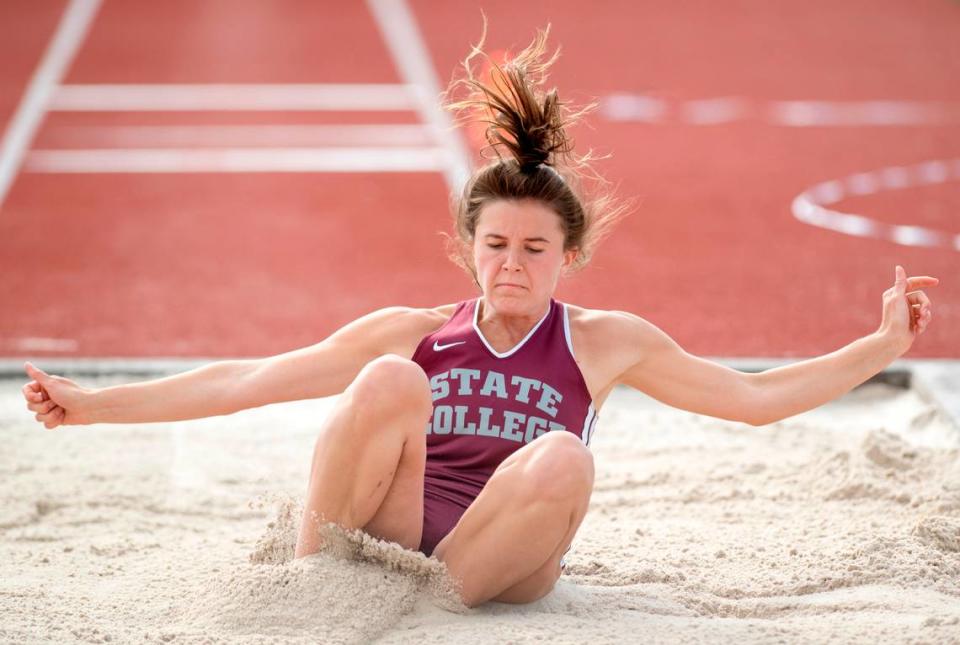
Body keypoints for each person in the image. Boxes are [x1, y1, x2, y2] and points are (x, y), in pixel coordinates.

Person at [20, 28, 938, 609]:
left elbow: (755, 397)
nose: (512, 264)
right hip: (382, 529)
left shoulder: (603, 341)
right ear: (470, 248)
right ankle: (309, 589)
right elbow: (247, 381)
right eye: (496, 244)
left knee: (568, 454)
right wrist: (93, 405)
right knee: (388, 378)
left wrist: (881, 344)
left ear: (565, 256)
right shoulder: (414, 327)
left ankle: (425, 613)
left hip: (492, 562)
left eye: (535, 249)